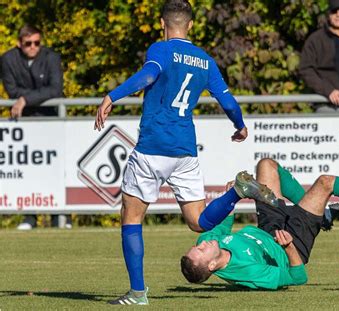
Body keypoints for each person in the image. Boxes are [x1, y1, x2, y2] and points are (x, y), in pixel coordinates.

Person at [94, 0, 270, 305]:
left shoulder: (160, 50)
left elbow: (148, 76)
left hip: (152, 148)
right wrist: (239, 125)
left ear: (162, 24)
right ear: (190, 25)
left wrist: (113, 95)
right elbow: (227, 101)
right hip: (185, 150)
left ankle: (137, 292)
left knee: (131, 217)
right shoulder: (205, 60)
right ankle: (236, 193)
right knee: (198, 221)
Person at [181, 158, 339, 290]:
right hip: (292, 242)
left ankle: (325, 216)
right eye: (201, 251)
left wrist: (230, 197)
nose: (201, 244)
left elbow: (223, 224)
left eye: (197, 246)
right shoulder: (249, 273)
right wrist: (288, 248)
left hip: (267, 225)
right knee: (325, 183)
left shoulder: (207, 241)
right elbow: (298, 278)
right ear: (213, 264)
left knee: (267, 166)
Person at [1, 24, 71, 230]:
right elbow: (11, 90)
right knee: (27, 170)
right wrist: (29, 97)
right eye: (28, 43)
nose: (33, 47)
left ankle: (62, 216)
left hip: (51, 122)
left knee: (57, 169)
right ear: (19, 44)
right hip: (24, 124)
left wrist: (25, 99)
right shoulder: (7, 59)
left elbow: (55, 89)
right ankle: (29, 217)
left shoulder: (51, 57)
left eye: (37, 43)